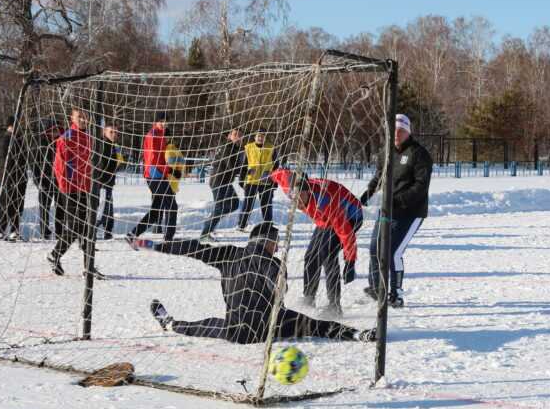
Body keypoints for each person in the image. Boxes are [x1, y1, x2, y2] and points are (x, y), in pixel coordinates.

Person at [131, 222, 372, 344]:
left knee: (204, 325)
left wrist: (155, 245)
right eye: (275, 243)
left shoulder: (228, 254)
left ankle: (170, 324)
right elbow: (277, 288)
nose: (277, 247)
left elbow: (192, 249)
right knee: (315, 325)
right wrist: (279, 282)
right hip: (267, 329)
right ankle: (358, 335)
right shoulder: (273, 262)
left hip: (234, 331)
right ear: (269, 242)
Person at [360, 114, 432, 308]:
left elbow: (420, 186)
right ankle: (376, 289)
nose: (396, 135)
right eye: (393, 131)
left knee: (393, 252)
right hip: (388, 209)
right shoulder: (385, 152)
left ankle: (396, 294)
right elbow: (379, 176)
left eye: (401, 131)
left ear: (408, 132)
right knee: (375, 248)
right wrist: (367, 194)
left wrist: (397, 200)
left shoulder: (419, 154)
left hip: (411, 212)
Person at [271, 168, 363, 315]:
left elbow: (346, 233)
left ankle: (334, 306)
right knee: (311, 255)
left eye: (300, 198)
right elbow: (281, 174)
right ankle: (309, 297)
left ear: (307, 192)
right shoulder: (291, 189)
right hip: (324, 219)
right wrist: (268, 176)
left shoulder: (324, 201)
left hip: (351, 215)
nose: (297, 202)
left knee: (327, 254)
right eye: (294, 199)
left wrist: (350, 261)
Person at [48, 108, 104, 277]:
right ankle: (54, 255)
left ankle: (89, 267)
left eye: (85, 117)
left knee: (88, 227)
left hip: (86, 189)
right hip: (71, 190)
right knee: (74, 228)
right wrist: (66, 188)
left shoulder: (88, 137)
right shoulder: (66, 138)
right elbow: (59, 168)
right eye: (79, 117)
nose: (83, 120)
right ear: (72, 118)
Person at [127, 113, 178, 243]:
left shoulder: (161, 135)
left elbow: (162, 157)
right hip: (155, 175)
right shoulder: (153, 135)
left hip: (158, 175)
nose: (164, 123)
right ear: (155, 122)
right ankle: (169, 239)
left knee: (156, 212)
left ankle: (132, 234)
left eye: (166, 121)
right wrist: (170, 170)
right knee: (172, 206)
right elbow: (154, 159)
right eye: (161, 121)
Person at [200, 128, 245, 241]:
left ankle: (210, 222)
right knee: (219, 207)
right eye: (235, 134)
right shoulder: (228, 147)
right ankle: (204, 234)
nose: (238, 137)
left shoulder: (234, 148)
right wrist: (247, 169)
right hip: (219, 181)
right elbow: (232, 165)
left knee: (234, 204)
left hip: (226, 182)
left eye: (240, 135)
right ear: (229, 136)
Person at [238, 131, 279, 231]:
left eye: (262, 136)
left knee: (266, 204)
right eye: (258, 136)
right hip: (251, 180)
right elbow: (243, 165)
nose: (260, 138)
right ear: (254, 137)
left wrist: (275, 181)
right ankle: (241, 225)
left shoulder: (271, 148)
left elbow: (276, 165)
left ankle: (268, 225)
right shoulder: (248, 147)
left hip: (266, 180)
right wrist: (241, 179)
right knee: (248, 203)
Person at [0, 120, 27, 241]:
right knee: (6, 204)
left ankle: (14, 230)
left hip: (20, 178)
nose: (20, 128)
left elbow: (23, 159)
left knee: (17, 205)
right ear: (11, 126)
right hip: (9, 179)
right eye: (17, 125)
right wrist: (7, 177)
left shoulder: (19, 139)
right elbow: (2, 161)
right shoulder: (5, 140)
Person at [92, 124, 124, 240]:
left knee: (108, 206)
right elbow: (99, 165)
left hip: (109, 182)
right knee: (102, 207)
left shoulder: (113, 146)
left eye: (116, 132)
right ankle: (91, 231)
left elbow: (115, 164)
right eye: (111, 132)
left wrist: (118, 165)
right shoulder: (101, 145)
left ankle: (108, 231)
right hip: (102, 183)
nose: (114, 135)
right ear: (104, 132)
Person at [36, 119, 61, 240]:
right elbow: (35, 163)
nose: (55, 133)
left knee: (60, 206)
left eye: (56, 130)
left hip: (59, 180)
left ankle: (59, 230)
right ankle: (44, 231)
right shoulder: (41, 143)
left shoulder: (61, 141)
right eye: (52, 131)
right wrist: (38, 181)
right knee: (44, 206)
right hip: (45, 180)